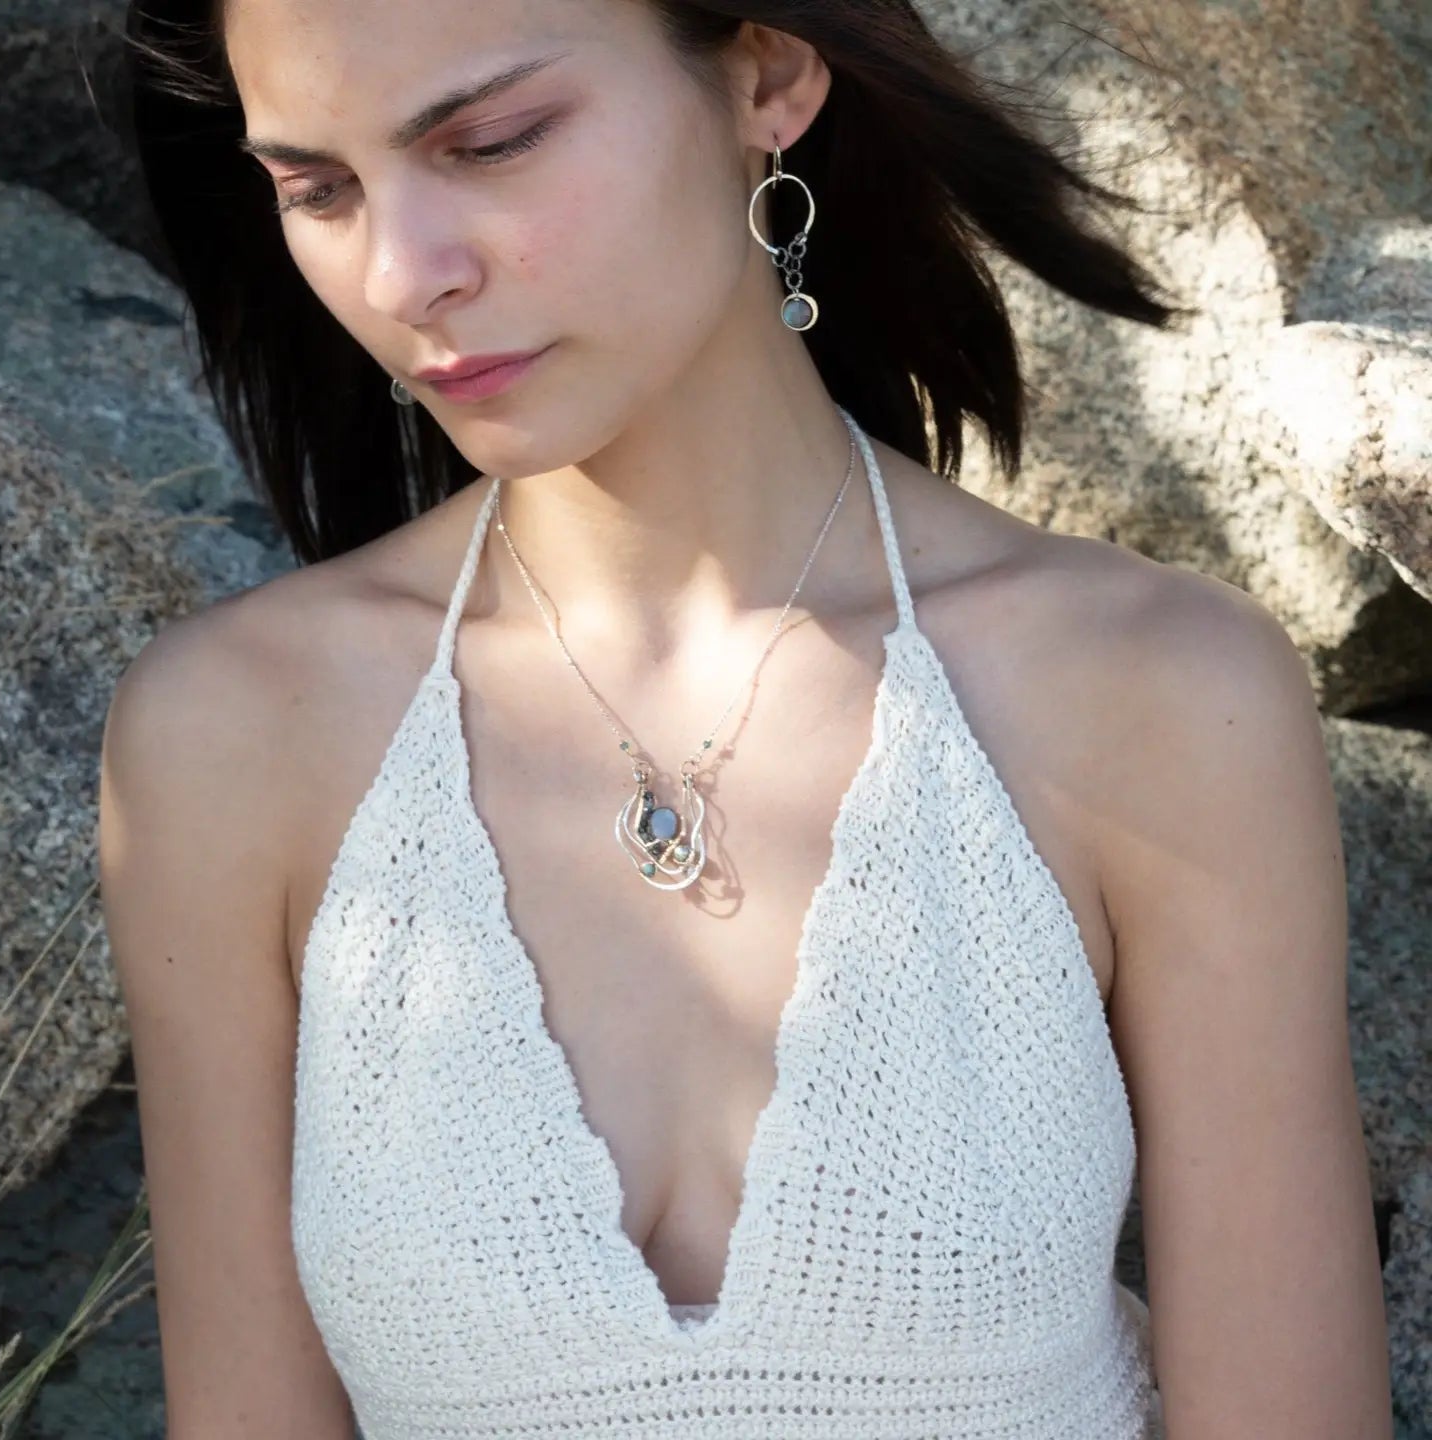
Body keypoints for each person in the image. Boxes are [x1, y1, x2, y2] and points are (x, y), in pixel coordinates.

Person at [95, 0, 1393, 1436]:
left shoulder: (1153, 694)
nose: (403, 274)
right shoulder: (234, 739)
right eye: (320, 188)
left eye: (494, 141)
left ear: (767, 74)